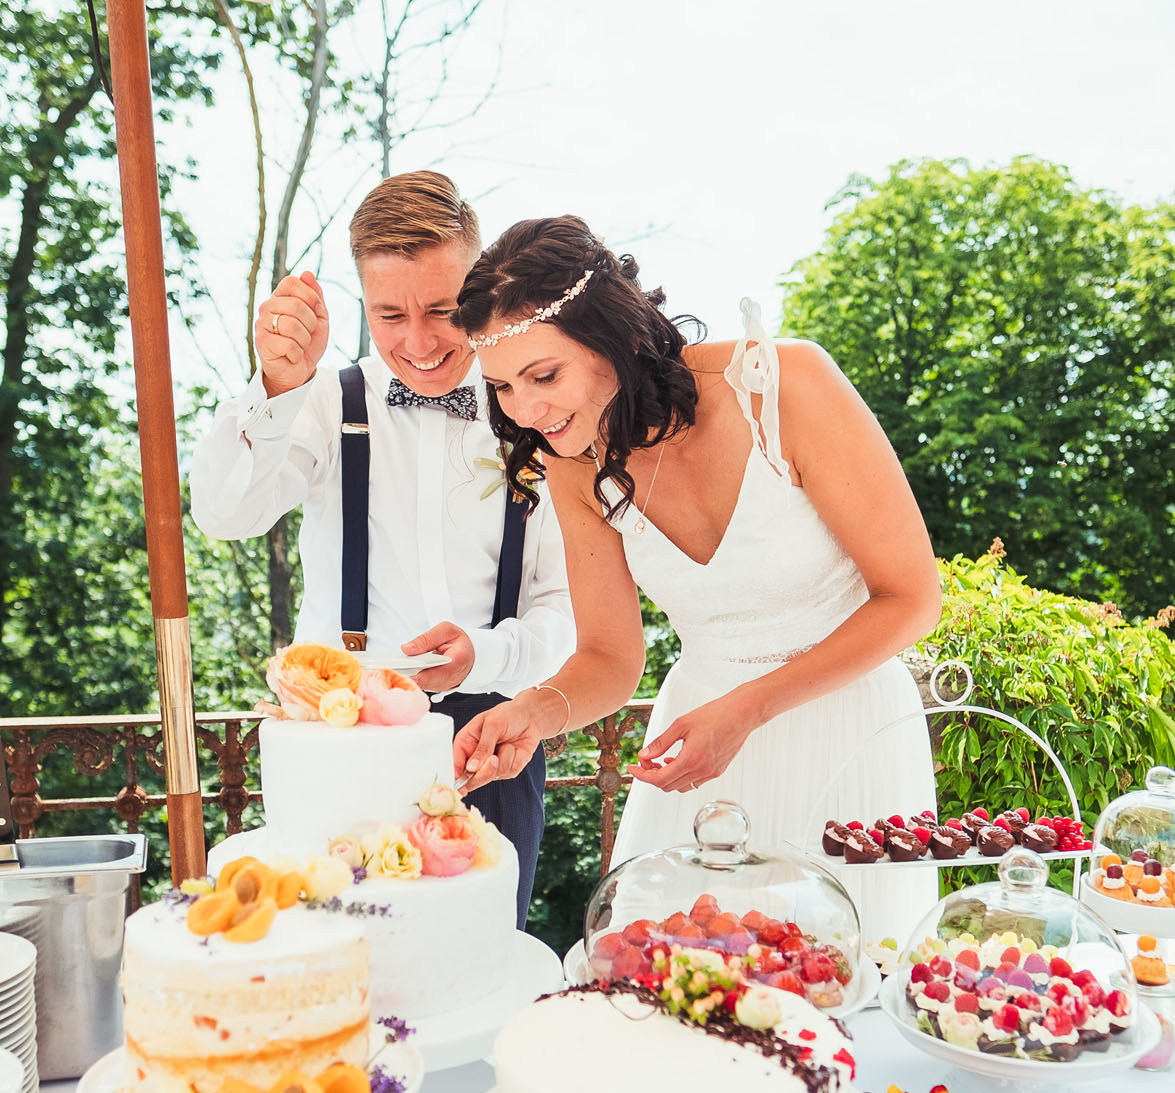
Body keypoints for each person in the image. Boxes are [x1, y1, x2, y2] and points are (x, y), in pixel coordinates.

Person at [449, 215, 941, 921]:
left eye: (544, 375)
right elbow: (610, 657)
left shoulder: (784, 386)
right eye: (501, 387)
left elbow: (913, 599)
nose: (525, 411)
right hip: (703, 757)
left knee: (846, 982)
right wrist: (532, 710)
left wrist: (747, 709)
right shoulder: (572, 460)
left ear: (609, 337)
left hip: (851, 733)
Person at [189, 173, 575, 924]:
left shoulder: (534, 411)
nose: (420, 342)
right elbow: (225, 513)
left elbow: (567, 608)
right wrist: (276, 384)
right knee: (337, 954)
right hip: (340, 744)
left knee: (475, 962)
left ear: (481, 282)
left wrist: (488, 657)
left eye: (443, 309)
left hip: (490, 747)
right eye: (390, 314)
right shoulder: (327, 400)